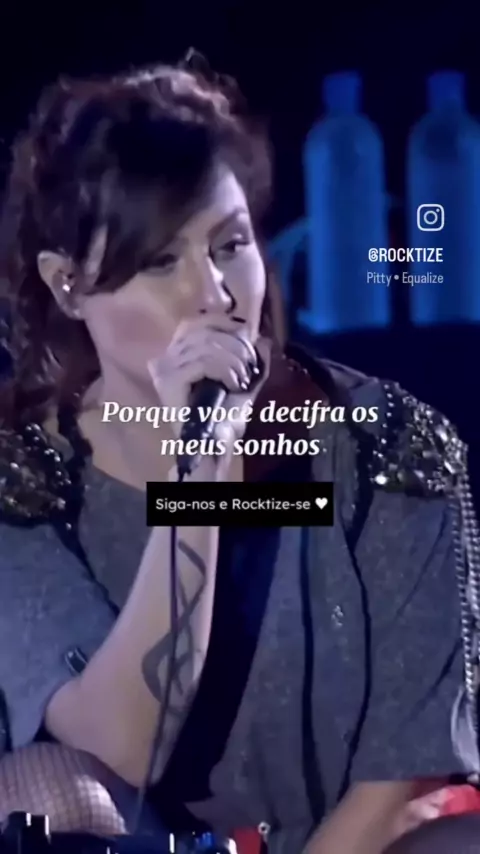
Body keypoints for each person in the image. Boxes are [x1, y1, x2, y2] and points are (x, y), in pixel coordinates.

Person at [0, 54, 479, 854]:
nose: (216, 297)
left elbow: (405, 772)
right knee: (39, 787)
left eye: (230, 246)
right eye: (161, 262)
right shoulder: (23, 483)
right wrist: (201, 464)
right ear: (69, 285)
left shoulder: (389, 447)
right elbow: (120, 748)